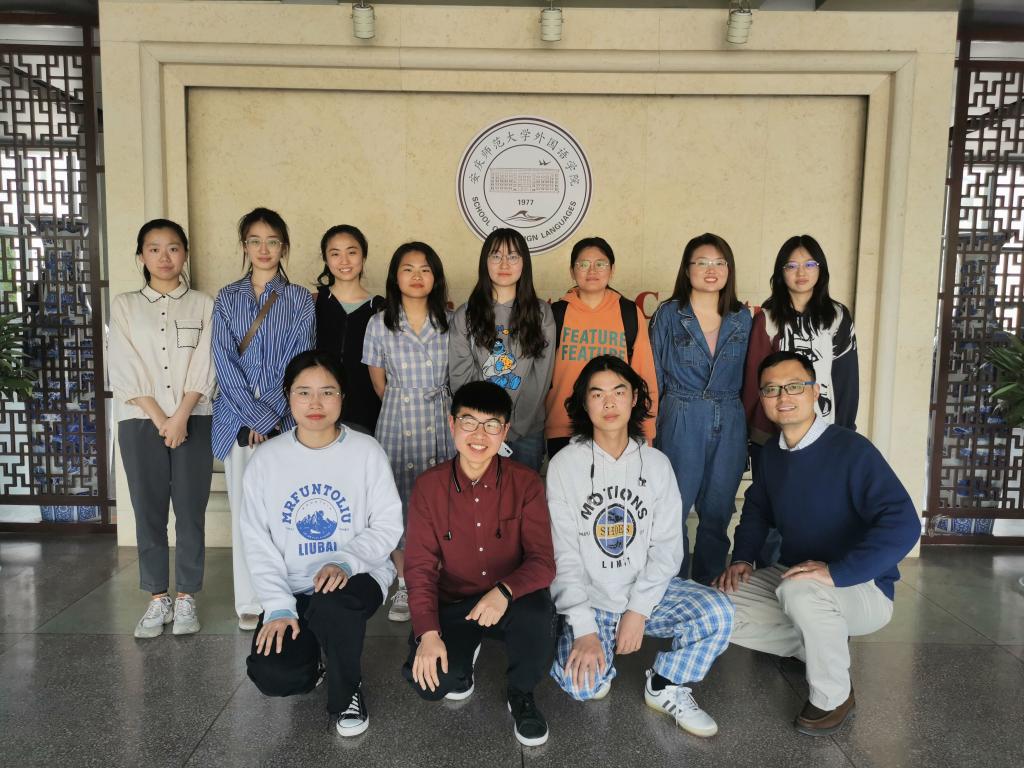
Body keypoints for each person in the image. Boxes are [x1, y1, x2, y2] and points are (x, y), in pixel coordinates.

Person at [712, 351, 920, 736]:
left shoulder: (851, 450)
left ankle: (833, 695)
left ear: (815, 391)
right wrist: (742, 558)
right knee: (713, 606)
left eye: (794, 386)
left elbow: (904, 523)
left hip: (863, 587)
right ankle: (818, 645)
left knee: (800, 591)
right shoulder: (771, 454)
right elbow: (757, 508)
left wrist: (837, 572)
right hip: (796, 576)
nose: (783, 397)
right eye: (771, 389)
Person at [546, 355, 733, 737]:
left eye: (619, 392)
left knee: (719, 612)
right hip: (593, 599)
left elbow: (667, 548)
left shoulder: (656, 464)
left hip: (646, 594)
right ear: (584, 402)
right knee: (584, 687)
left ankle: (664, 684)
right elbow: (562, 555)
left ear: (634, 398)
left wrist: (638, 610)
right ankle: (587, 647)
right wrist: (584, 628)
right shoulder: (564, 465)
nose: (609, 402)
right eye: (597, 394)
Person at [241, 351, 403, 737]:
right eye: (304, 392)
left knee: (333, 604)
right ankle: (314, 661)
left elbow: (388, 524)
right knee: (274, 673)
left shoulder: (366, 451)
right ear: (288, 396)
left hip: (359, 574)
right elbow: (257, 540)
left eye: (327, 392)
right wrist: (278, 606)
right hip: (296, 585)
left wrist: (346, 561)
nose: (316, 403)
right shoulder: (266, 459)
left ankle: (347, 691)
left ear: (343, 397)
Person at [402, 381, 557, 747]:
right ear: (452, 423)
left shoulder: (525, 483)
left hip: (510, 602)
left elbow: (543, 562)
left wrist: (504, 591)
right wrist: (428, 634)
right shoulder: (428, 487)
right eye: (469, 422)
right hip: (455, 603)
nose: (479, 435)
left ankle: (521, 693)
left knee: (539, 613)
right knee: (433, 683)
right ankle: (464, 650)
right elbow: (419, 568)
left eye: (491, 425)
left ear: (505, 431)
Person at [109, 219, 216, 638]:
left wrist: (182, 415)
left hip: (195, 417)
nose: (164, 257)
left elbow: (207, 361)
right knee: (148, 510)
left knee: (190, 511)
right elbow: (124, 364)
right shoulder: (124, 305)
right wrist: (161, 419)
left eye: (173, 248)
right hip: (140, 420)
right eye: (153, 249)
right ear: (141, 256)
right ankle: (157, 597)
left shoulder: (204, 304)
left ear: (185, 254)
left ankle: (187, 596)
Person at [212, 207, 315, 630]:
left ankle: (283, 596)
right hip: (235, 422)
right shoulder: (226, 298)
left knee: (284, 513)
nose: (264, 249)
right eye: (255, 241)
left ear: (284, 247)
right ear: (244, 246)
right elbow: (223, 360)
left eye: (272, 241)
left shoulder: (300, 299)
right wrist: (253, 415)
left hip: (283, 422)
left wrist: (269, 415)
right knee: (245, 514)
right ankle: (250, 599)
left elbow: (299, 361)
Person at [741, 235, 859, 566]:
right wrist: (757, 436)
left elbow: (846, 379)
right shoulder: (768, 316)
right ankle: (769, 576)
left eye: (809, 264)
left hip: (824, 431)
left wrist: (844, 430)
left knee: (820, 508)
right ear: (781, 272)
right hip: (773, 435)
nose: (801, 272)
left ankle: (810, 577)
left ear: (821, 269)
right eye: (792, 265)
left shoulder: (837, 317)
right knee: (773, 509)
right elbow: (755, 380)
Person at [649, 233, 751, 584]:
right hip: (681, 412)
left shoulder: (742, 317)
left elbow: (751, 374)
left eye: (720, 263)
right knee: (672, 510)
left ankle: (710, 587)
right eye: (702, 262)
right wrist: (649, 428)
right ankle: (672, 586)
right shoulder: (669, 314)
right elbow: (652, 376)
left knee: (718, 511)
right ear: (687, 268)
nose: (711, 270)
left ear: (729, 269)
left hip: (730, 415)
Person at [362, 242, 454, 623]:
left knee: (443, 501)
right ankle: (404, 583)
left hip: (442, 416)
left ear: (436, 277)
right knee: (396, 501)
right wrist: (405, 401)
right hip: (397, 419)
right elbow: (378, 383)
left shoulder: (450, 321)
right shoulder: (379, 323)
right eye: (408, 269)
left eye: (425, 269)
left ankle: (439, 581)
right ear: (395, 276)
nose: (417, 276)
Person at [449, 228, 555, 473]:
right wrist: (485, 423)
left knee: (522, 493)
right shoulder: (466, 314)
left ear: (524, 263)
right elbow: (460, 377)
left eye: (513, 256)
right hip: (479, 429)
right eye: (496, 256)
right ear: (485, 262)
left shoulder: (540, 313)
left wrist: (514, 425)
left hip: (527, 429)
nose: (504, 263)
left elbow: (541, 377)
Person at [545, 237, 658, 459]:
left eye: (600, 264)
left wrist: (647, 430)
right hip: (563, 426)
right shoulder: (557, 314)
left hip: (617, 426)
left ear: (612, 270)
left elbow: (644, 375)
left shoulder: (628, 313)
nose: (592, 270)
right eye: (583, 264)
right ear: (572, 271)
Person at [313, 224, 385, 435]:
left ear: (363, 256)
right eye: (335, 254)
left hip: (366, 411)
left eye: (352, 252)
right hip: (318, 408)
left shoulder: (380, 308)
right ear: (326, 259)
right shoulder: (312, 303)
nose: (344, 261)